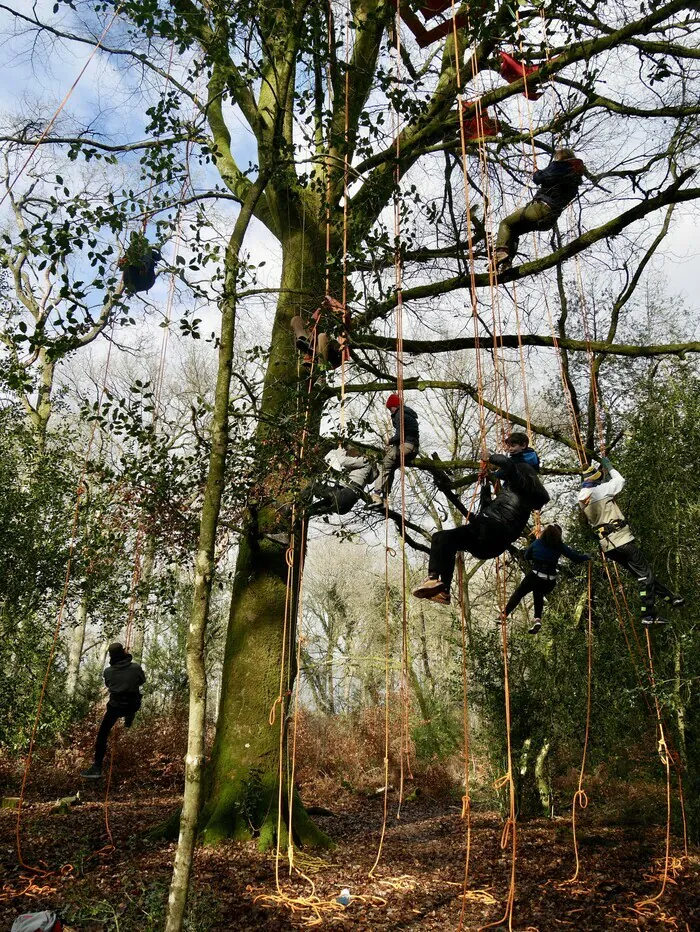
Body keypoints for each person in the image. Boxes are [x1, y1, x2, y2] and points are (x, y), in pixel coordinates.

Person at [413, 447, 550, 605]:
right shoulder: (512, 494)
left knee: (443, 538)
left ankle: (434, 579)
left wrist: (489, 457)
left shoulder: (521, 485)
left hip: (492, 531)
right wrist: (485, 484)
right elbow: (487, 508)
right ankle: (442, 590)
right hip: (490, 539)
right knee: (444, 540)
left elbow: (507, 464)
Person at [578, 458, 684, 626]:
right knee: (645, 576)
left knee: (643, 575)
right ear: (597, 478)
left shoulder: (583, 497)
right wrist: (609, 466)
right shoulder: (601, 490)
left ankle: (671, 598)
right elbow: (620, 481)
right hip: (621, 540)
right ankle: (648, 615)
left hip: (609, 546)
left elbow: (600, 492)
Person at [494, 148, 586, 272]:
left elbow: (539, 178)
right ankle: (506, 262)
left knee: (505, 224)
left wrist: (538, 173)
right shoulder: (575, 181)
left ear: (561, 158)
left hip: (540, 208)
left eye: (557, 158)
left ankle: (501, 252)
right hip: (549, 219)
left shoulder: (561, 167)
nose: (555, 160)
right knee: (514, 231)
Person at [503, 524, 591, 634]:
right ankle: (537, 619)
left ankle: (504, 614)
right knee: (538, 591)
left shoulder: (538, 542)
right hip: (550, 581)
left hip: (536, 575)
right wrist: (587, 556)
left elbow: (526, 556)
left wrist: (536, 555)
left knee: (520, 592)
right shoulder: (560, 545)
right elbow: (575, 557)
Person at [81, 643, 145, 779]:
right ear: (123, 652)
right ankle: (129, 717)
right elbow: (142, 681)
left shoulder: (108, 671)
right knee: (131, 704)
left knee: (102, 735)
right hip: (133, 705)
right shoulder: (136, 667)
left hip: (115, 708)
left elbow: (109, 684)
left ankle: (97, 766)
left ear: (111, 656)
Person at [371, 394, 420, 505]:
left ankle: (376, 495)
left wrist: (390, 441)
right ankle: (384, 497)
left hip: (405, 446)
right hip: (414, 449)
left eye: (390, 408)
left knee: (384, 465)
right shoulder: (409, 414)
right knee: (391, 467)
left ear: (395, 406)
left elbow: (399, 435)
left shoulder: (399, 414)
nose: (390, 411)